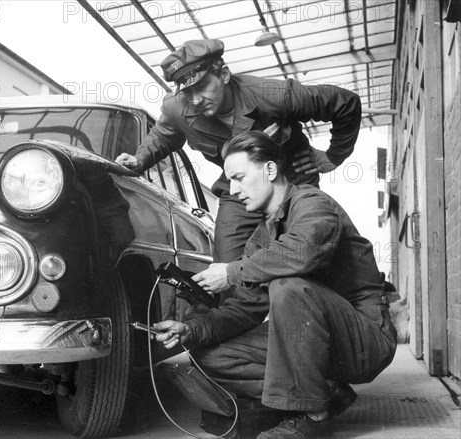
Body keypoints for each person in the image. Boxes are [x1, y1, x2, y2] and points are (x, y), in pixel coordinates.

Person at [154, 131, 397, 439]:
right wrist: (192, 330)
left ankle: (312, 415)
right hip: (318, 343)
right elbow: (244, 308)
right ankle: (326, 393)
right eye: (230, 181)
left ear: (270, 170)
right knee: (210, 353)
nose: (234, 190)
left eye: (240, 177)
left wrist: (231, 272)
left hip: (364, 340)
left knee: (289, 285)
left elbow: (303, 253)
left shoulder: (313, 203)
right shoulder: (261, 236)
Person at [115, 39, 362, 265]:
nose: (196, 99)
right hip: (238, 185)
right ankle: (233, 312)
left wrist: (332, 156)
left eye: (201, 87)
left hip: (291, 178)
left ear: (223, 74)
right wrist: (139, 159)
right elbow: (162, 136)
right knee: (226, 260)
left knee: (304, 251)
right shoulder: (176, 108)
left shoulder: (273, 95)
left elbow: (345, 102)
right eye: (188, 92)